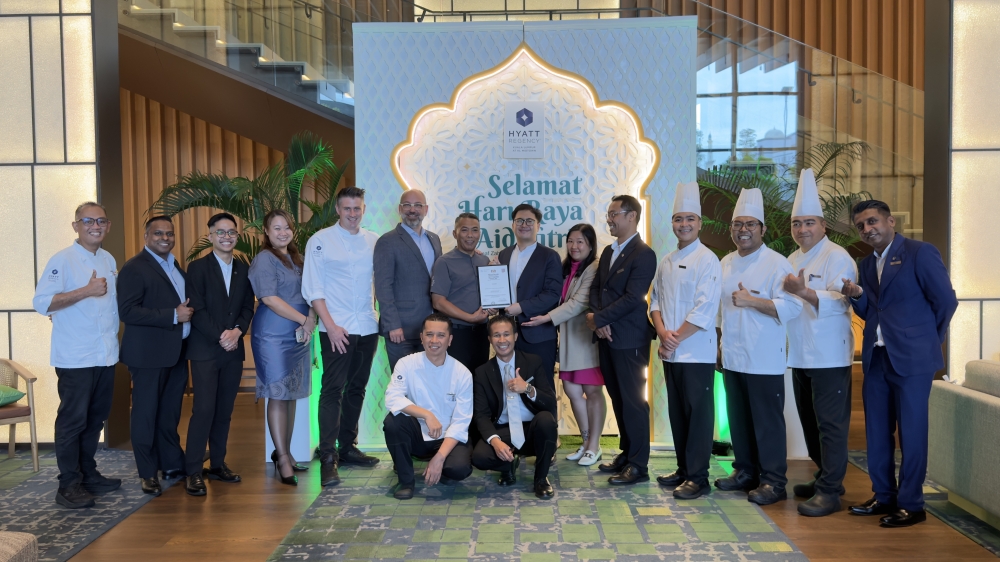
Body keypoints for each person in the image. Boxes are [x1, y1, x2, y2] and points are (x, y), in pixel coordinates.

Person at [841, 200, 957, 528]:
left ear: (890, 220)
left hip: (914, 360)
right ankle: (883, 496)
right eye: (861, 225)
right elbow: (870, 311)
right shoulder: (865, 264)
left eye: (872, 221)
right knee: (877, 432)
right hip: (876, 358)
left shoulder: (920, 252)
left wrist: (926, 339)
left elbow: (946, 301)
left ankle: (912, 504)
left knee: (911, 433)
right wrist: (856, 295)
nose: (867, 229)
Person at [32, 202, 122, 509]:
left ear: (107, 226)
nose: (95, 226)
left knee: (95, 419)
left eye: (101, 221)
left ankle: (88, 474)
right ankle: (68, 484)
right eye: (88, 221)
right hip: (76, 356)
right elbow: (42, 302)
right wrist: (85, 290)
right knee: (72, 421)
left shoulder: (108, 258)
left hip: (106, 354)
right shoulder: (63, 260)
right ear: (76, 226)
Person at [716, 188, 802, 506]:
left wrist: (753, 301)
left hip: (764, 356)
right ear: (732, 229)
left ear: (763, 229)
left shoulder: (776, 264)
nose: (743, 230)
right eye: (738, 224)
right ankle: (746, 472)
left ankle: (774, 481)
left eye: (750, 224)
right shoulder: (725, 263)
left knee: (767, 421)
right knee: (738, 418)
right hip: (734, 354)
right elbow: (720, 309)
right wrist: (719, 344)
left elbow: (792, 307)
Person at [782, 169, 858, 516]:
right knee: (809, 421)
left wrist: (804, 291)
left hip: (829, 355)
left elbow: (841, 300)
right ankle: (825, 476)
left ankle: (830, 491)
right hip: (799, 353)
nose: (802, 229)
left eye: (809, 223)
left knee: (830, 424)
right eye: (797, 223)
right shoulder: (793, 259)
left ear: (823, 226)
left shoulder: (837, 257)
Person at [301, 186, 382, 487]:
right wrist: (331, 326)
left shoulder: (374, 240)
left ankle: (347, 447)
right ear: (338, 209)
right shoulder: (320, 241)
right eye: (347, 208)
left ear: (363, 209)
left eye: (357, 208)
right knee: (332, 390)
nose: (352, 214)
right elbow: (313, 288)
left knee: (357, 388)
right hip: (336, 328)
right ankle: (327, 458)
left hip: (368, 326)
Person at [650, 182, 722, 500]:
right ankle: (683, 469)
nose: (684, 225)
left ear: (699, 223)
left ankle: (698, 476)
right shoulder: (666, 260)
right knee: (678, 413)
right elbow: (654, 302)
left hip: (696, 353)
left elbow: (704, 309)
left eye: (690, 219)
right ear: (673, 224)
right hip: (672, 351)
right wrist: (663, 333)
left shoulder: (708, 260)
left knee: (699, 415)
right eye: (679, 219)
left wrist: (673, 338)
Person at [117, 215, 192, 497]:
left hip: (175, 353)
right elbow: (128, 311)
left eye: (169, 234)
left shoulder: (174, 265)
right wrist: (173, 315)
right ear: (146, 236)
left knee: (169, 414)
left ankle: (172, 464)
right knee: (146, 416)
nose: (165, 238)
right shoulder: (134, 268)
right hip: (148, 355)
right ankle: (147, 473)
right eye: (158, 233)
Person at [182, 213, 255, 496]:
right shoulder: (197, 268)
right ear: (210, 235)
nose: (227, 237)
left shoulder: (243, 268)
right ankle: (192, 471)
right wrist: (221, 336)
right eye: (220, 232)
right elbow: (196, 308)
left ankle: (218, 464)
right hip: (205, 350)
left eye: (231, 233)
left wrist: (237, 331)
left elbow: (248, 307)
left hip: (233, 350)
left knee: (224, 411)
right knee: (203, 410)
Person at [586, 194, 657, 485]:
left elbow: (633, 298)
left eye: (614, 213)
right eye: (609, 214)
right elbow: (596, 289)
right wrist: (596, 319)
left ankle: (639, 465)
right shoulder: (608, 251)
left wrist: (600, 319)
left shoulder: (643, 253)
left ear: (632, 216)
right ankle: (626, 454)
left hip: (630, 337)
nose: (609, 219)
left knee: (634, 401)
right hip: (607, 337)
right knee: (618, 398)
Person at [524, 223, 605, 466]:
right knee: (571, 391)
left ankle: (594, 446)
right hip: (567, 338)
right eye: (571, 241)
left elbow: (579, 303)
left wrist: (546, 317)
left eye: (580, 241)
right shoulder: (566, 268)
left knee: (592, 391)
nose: (574, 246)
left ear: (590, 245)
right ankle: (586, 440)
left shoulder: (594, 267)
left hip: (585, 337)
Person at [249, 209, 316, 486]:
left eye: (287, 227)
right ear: (266, 231)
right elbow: (269, 298)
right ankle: (284, 458)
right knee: (277, 393)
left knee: (291, 394)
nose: (282, 232)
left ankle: (283, 453)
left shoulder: (297, 258)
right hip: (273, 335)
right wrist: (304, 319)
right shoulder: (264, 259)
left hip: (299, 333)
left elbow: (310, 292)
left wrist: (310, 317)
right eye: (276, 228)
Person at [383, 313, 474, 500]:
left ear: (450, 340)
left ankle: (442, 467)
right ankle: (406, 481)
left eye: (441, 335)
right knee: (393, 422)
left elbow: (461, 421)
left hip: (447, 438)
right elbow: (392, 397)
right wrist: (426, 415)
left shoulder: (462, 373)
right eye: (429, 334)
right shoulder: (406, 363)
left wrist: (439, 458)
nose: (434, 340)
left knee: (459, 469)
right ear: (421, 337)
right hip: (419, 435)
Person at [472, 315, 558, 499]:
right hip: (504, 430)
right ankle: (509, 464)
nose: (502, 340)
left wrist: (527, 388)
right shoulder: (482, 372)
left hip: (532, 428)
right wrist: (495, 441)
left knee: (546, 421)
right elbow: (480, 415)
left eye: (506, 334)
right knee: (479, 457)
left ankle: (541, 479)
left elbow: (550, 402)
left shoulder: (533, 361)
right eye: (496, 335)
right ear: (489, 339)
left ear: (515, 336)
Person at [374, 189, 443, 371]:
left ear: (426, 209)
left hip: (431, 329)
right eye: (407, 205)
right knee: (403, 384)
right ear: (400, 208)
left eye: (418, 205)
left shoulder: (434, 240)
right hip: (401, 330)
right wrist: (392, 325)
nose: (412, 209)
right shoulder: (387, 241)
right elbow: (383, 287)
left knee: (429, 383)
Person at [497, 204, 562, 380]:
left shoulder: (550, 256)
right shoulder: (503, 255)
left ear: (538, 226)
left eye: (529, 221)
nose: (524, 224)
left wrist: (522, 307)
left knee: (542, 386)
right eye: (519, 220)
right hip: (508, 334)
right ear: (513, 225)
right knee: (510, 383)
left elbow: (553, 293)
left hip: (539, 334)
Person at [430, 213, 491, 374]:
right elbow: (438, 301)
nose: (470, 235)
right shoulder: (444, 262)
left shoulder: (484, 261)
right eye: (464, 230)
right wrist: (470, 317)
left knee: (479, 382)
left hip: (482, 333)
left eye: (475, 230)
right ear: (455, 233)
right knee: (455, 382)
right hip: (456, 334)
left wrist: (493, 307)